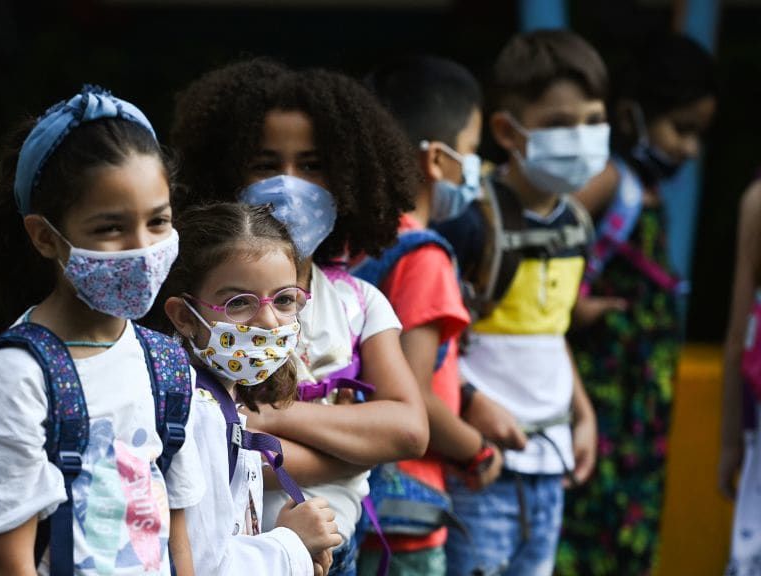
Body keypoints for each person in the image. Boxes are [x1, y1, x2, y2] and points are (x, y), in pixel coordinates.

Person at [171, 59, 430, 575]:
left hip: (336, 551)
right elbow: (208, 451)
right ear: (225, 171)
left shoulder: (360, 303)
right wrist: (356, 445)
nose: (289, 185)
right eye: (266, 164)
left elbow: (409, 430)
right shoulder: (197, 307)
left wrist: (267, 417)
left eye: (312, 165)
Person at [0, 86, 204, 575]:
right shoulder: (21, 375)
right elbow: (9, 558)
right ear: (46, 237)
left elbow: (176, 528)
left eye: (158, 221)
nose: (142, 248)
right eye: (110, 228)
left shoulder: (166, 364)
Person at [431, 30, 605, 576]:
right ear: (508, 130)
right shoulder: (469, 221)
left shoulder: (577, 223)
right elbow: (429, 343)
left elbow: (551, 335)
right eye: (559, 124)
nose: (582, 137)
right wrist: (467, 404)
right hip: (481, 468)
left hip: (550, 467)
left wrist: (582, 414)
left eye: (593, 120)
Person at [559, 33, 718, 576]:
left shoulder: (648, 194)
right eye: (682, 129)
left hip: (639, 417)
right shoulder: (609, 181)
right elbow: (541, 256)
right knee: (589, 536)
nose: (689, 149)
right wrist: (573, 312)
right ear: (634, 114)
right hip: (600, 403)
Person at [356, 54, 505, 576]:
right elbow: (411, 394)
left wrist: (468, 397)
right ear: (437, 161)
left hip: (359, 501)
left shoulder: (361, 242)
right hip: (408, 513)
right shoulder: (424, 256)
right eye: (470, 151)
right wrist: (477, 451)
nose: (476, 168)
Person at [153, 202, 343, 576]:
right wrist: (292, 543)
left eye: (285, 299)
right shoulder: (198, 412)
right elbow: (205, 565)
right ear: (183, 316)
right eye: (239, 303)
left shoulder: (216, 400)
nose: (269, 320)